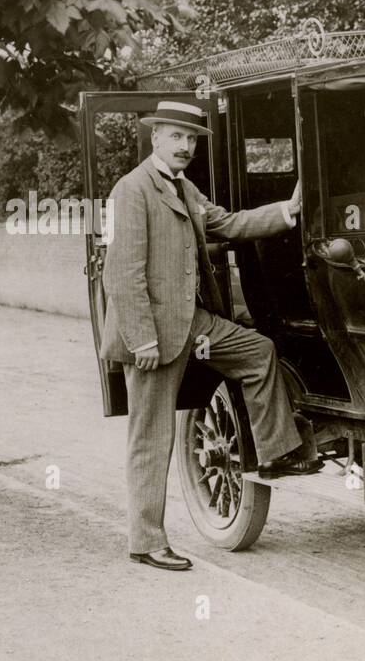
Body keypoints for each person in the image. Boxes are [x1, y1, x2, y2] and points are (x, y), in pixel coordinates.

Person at [100, 100, 317, 572]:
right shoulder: (130, 190)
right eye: (176, 136)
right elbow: (122, 274)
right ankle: (146, 541)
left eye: (192, 138)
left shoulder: (184, 187)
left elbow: (228, 224)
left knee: (259, 351)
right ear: (155, 137)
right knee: (151, 437)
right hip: (151, 332)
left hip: (191, 320)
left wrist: (288, 210)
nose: (185, 146)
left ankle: (276, 454)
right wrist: (142, 341)